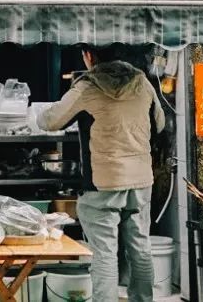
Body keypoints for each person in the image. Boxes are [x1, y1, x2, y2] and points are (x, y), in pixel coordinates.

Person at [37, 44, 166, 302]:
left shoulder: (87, 87)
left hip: (103, 183)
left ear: (89, 56)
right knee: (140, 247)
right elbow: (160, 124)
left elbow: (49, 121)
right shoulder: (142, 82)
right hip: (140, 181)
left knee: (105, 253)